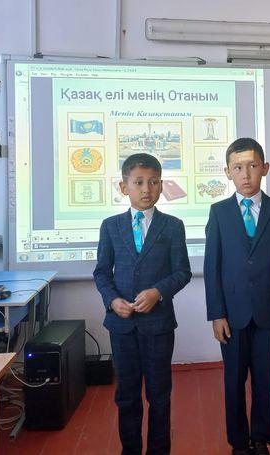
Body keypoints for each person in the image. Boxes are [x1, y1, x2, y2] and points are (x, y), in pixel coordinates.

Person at [93, 152, 192, 455]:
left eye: (153, 182)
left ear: (161, 185)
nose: (146, 189)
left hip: (158, 325)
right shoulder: (110, 226)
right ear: (124, 187)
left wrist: (157, 292)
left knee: (159, 395)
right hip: (121, 326)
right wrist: (113, 301)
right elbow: (101, 272)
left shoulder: (172, 226)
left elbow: (182, 272)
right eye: (138, 182)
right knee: (127, 395)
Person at [204, 137, 270, 455]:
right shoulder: (219, 213)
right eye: (238, 167)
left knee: (264, 379)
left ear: (265, 168)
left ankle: (261, 438)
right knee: (233, 380)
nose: (246, 174)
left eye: (253, 166)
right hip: (231, 314)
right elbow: (212, 267)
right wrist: (216, 314)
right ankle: (239, 441)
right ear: (227, 172)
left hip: (268, 311)